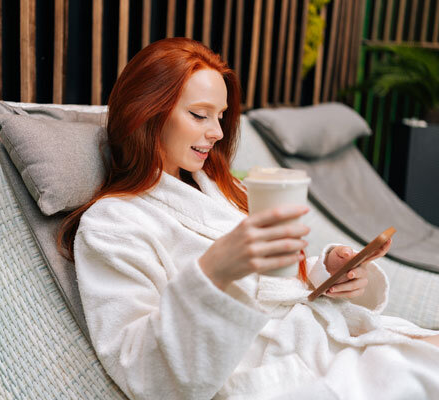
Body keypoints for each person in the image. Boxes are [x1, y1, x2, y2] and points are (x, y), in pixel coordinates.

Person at [57, 37, 439, 400]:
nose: (217, 132)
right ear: (146, 111)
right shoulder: (112, 225)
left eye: (220, 116)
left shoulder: (222, 190)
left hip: (326, 342)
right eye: (199, 115)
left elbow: (276, 285)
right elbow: (144, 371)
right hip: (282, 374)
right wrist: (213, 272)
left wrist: (327, 271)